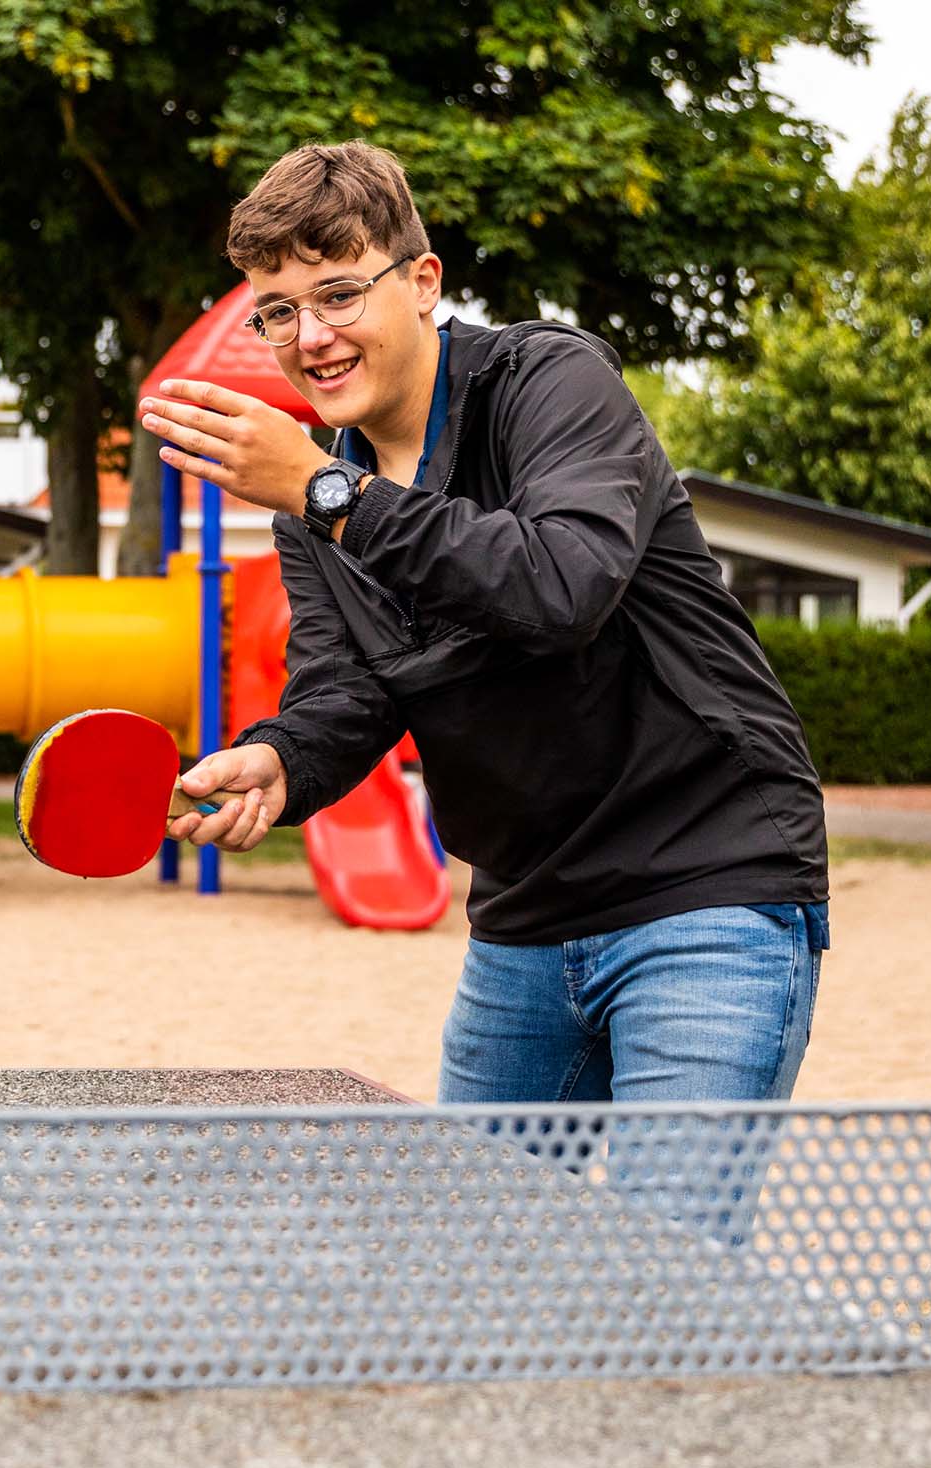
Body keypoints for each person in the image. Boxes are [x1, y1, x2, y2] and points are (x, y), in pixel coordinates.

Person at [142, 140, 830, 1104]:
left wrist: (325, 491)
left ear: (422, 282)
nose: (311, 335)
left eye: (338, 294)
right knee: (475, 1211)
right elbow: (350, 689)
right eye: (279, 310)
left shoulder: (549, 382)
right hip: (521, 914)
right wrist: (281, 759)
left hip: (703, 886)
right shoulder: (315, 502)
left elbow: (561, 586)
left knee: (667, 1213)